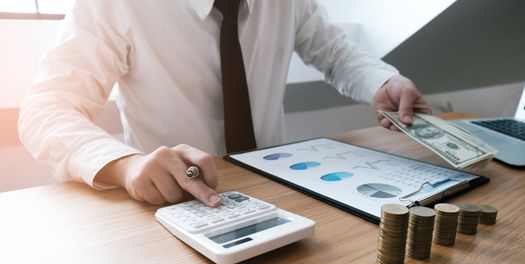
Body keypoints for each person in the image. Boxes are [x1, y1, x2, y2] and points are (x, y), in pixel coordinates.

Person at [19, 0, 431, 207]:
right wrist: (127, 166)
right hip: (173, 205)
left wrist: (383, 80)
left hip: (281, 189)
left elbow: (335, 53)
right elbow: (46, 111)